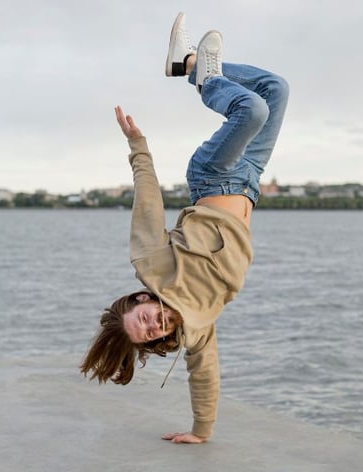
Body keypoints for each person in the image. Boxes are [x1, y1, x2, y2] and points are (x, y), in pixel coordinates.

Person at [81, 12, 289, 444]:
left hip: (213, 177)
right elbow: (205, 372)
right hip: (250, 180)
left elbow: (149, 203)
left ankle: (201, 74)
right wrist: (201, 430)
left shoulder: (152, 265)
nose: (154, 325)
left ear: (141, 300)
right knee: (275, 89)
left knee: (251, 109)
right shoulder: (195, 327)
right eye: (150, 334)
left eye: (144, 319)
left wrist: (138, 147)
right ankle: (190, 64)